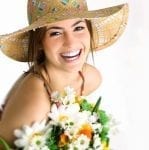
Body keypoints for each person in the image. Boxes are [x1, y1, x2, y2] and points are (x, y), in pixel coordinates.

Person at [0, 0, 128, 148]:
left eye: (78, 28)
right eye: (55, 33)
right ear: (40, 42)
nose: (71, 42)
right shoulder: (36, 100)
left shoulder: (89, 77)